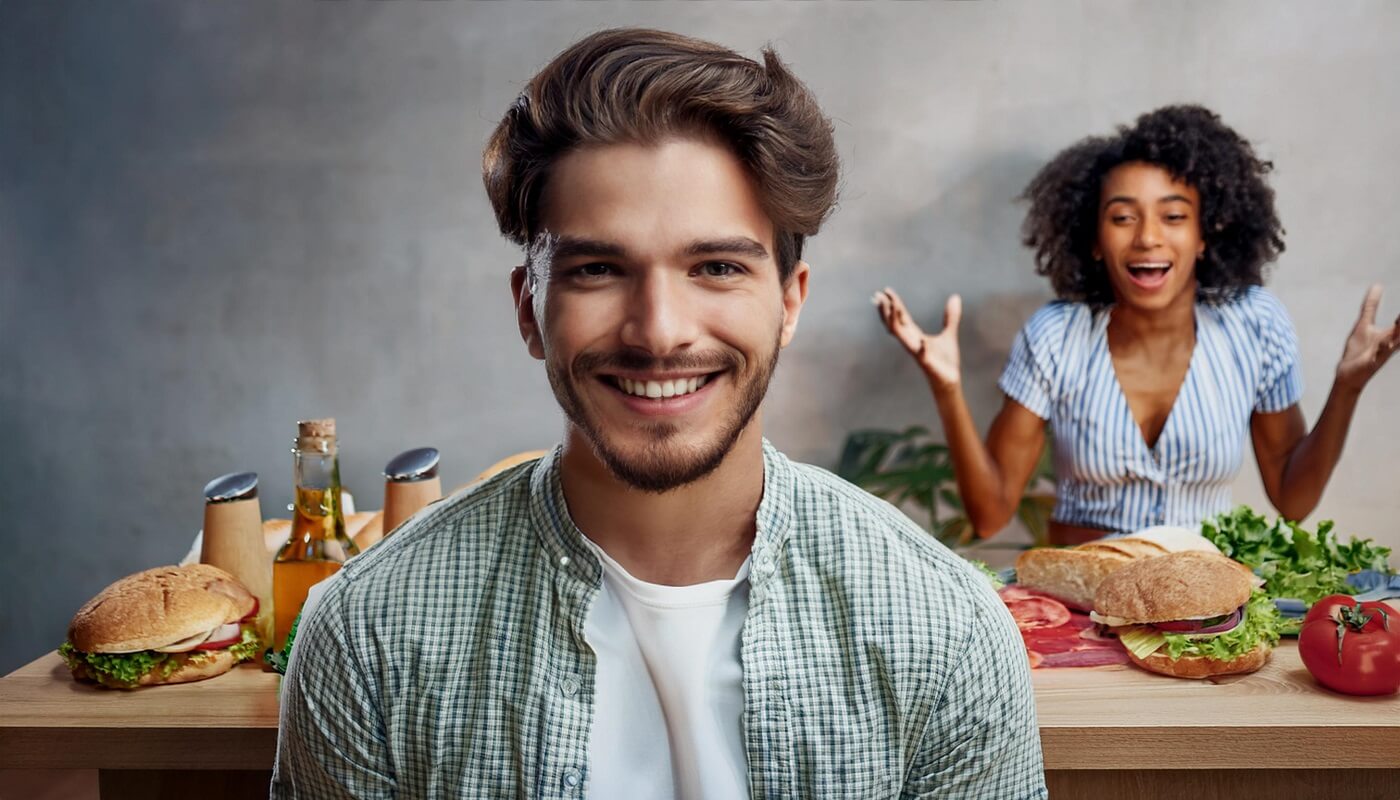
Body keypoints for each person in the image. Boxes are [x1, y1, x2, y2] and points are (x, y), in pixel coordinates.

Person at [273, 28, 1045, 799]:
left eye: (715, 267)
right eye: (599, 269)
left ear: (788, 302)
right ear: (528, 309)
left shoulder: (947, 631)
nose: (659, 330)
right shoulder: (365, 633)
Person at [877, 105, 1399, 545]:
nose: (1148, 237)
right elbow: (990, 516)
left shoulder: (1255, 325)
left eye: (1173, 216)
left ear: (1204, 235)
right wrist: (946, 389)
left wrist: (1347, 388)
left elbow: (1292, 498)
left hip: (1203, 603)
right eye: (1123, 217)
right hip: (1078, 604)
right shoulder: (1056, 336)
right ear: (1094, 240)